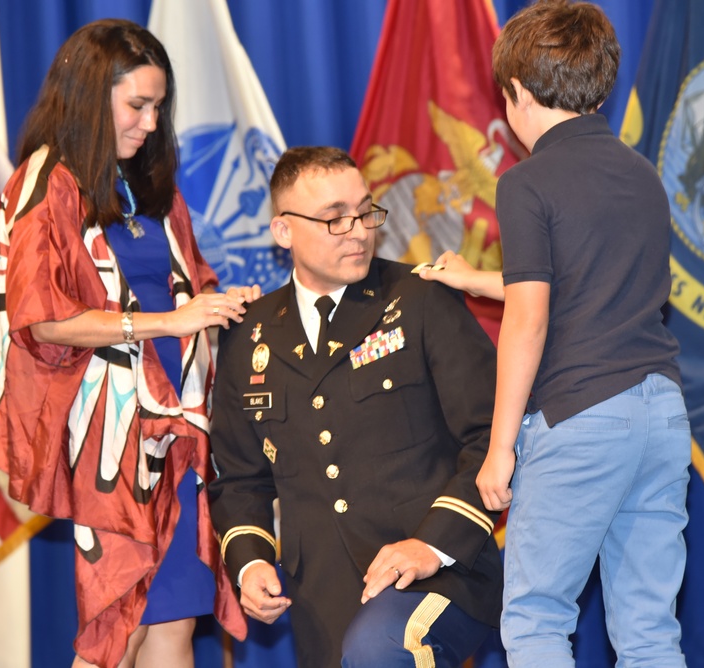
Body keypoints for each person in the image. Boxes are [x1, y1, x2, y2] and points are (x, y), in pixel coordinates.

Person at [423, 1, 691, 665]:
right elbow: (584, 281)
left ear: (514, 93)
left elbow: (531, 317)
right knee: (650, 630)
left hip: (580, 417)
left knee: (538, 619)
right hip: (660, 414)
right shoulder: (642, 173)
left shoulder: (527, 181)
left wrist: (500, 449)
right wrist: (475, 278)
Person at [0, 19, 255, 668]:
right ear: (87, 97)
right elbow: (42, 319)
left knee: (172, 626)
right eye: (137, 105)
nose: (152, 122)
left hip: (176, 430)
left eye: (159, 107)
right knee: (117, 630)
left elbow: (191, 281)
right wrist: (170, 322)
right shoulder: (45, 182)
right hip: (108, 444)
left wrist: (222, 305)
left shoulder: (148, 187)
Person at [207, 146, 503, 667]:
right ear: (283, 232)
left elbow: (491, 434)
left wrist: (431, 545)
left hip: (439, 570)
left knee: (378, 649)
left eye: (365, 211)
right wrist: (251, 563)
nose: (359, 230)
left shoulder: (420, 297)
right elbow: (239, 481)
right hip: (321, 594)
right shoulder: (248, 334)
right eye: (333, 219)